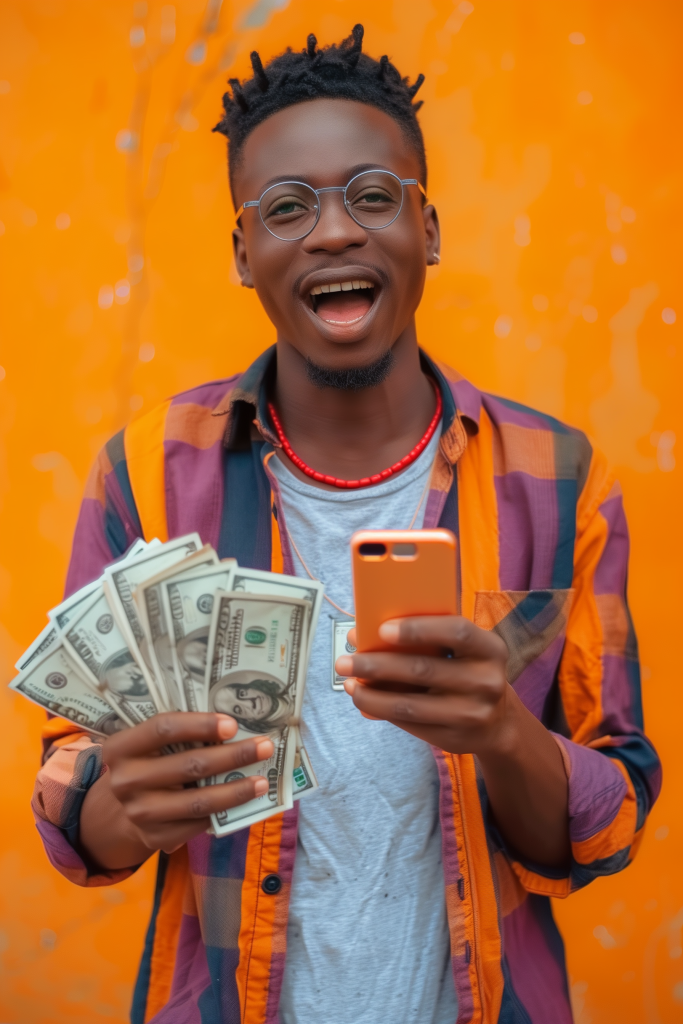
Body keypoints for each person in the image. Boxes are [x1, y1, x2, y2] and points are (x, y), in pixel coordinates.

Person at [32, 25, 660, 1024]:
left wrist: (500, 729)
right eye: (287, 208)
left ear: (430, 230)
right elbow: (72, 819)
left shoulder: (560, 478)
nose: (331, 233)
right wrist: (120, 805)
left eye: (371, 195)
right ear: (244, 254)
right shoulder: (148, 472)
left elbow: (608, 822)